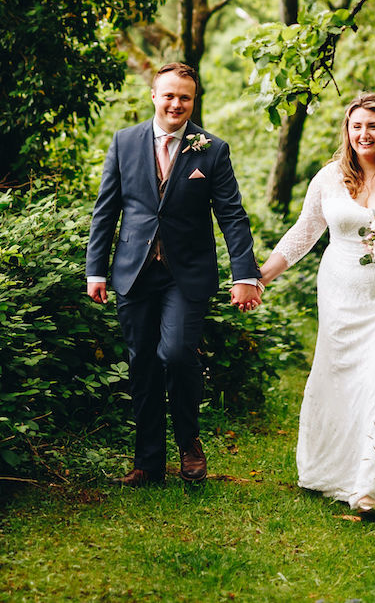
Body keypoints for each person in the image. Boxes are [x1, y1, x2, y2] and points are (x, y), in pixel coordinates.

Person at [254, 92, 375, 514]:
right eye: (357, 126)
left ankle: (373, 488)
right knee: (342, 379)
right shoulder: (329, 178)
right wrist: (262, 275)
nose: (364, 133)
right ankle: (338, 470)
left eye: (372, 125)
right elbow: (304, 233)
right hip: (341, 295)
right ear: (347, 130)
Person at [85, 63, 263, 486]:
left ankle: (189, 441)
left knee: (177, 354)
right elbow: (106, 210)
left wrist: (246, 275)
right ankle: (148, 463)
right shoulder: (124, 143)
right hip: (134, 273)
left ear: (193, 101)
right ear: (154, 96)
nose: (176, 104)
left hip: (187, 274)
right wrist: (96, 270)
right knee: (141, 364)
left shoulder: (212, 150)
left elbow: (232, 217)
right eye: (169, 95)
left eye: (184, 97)